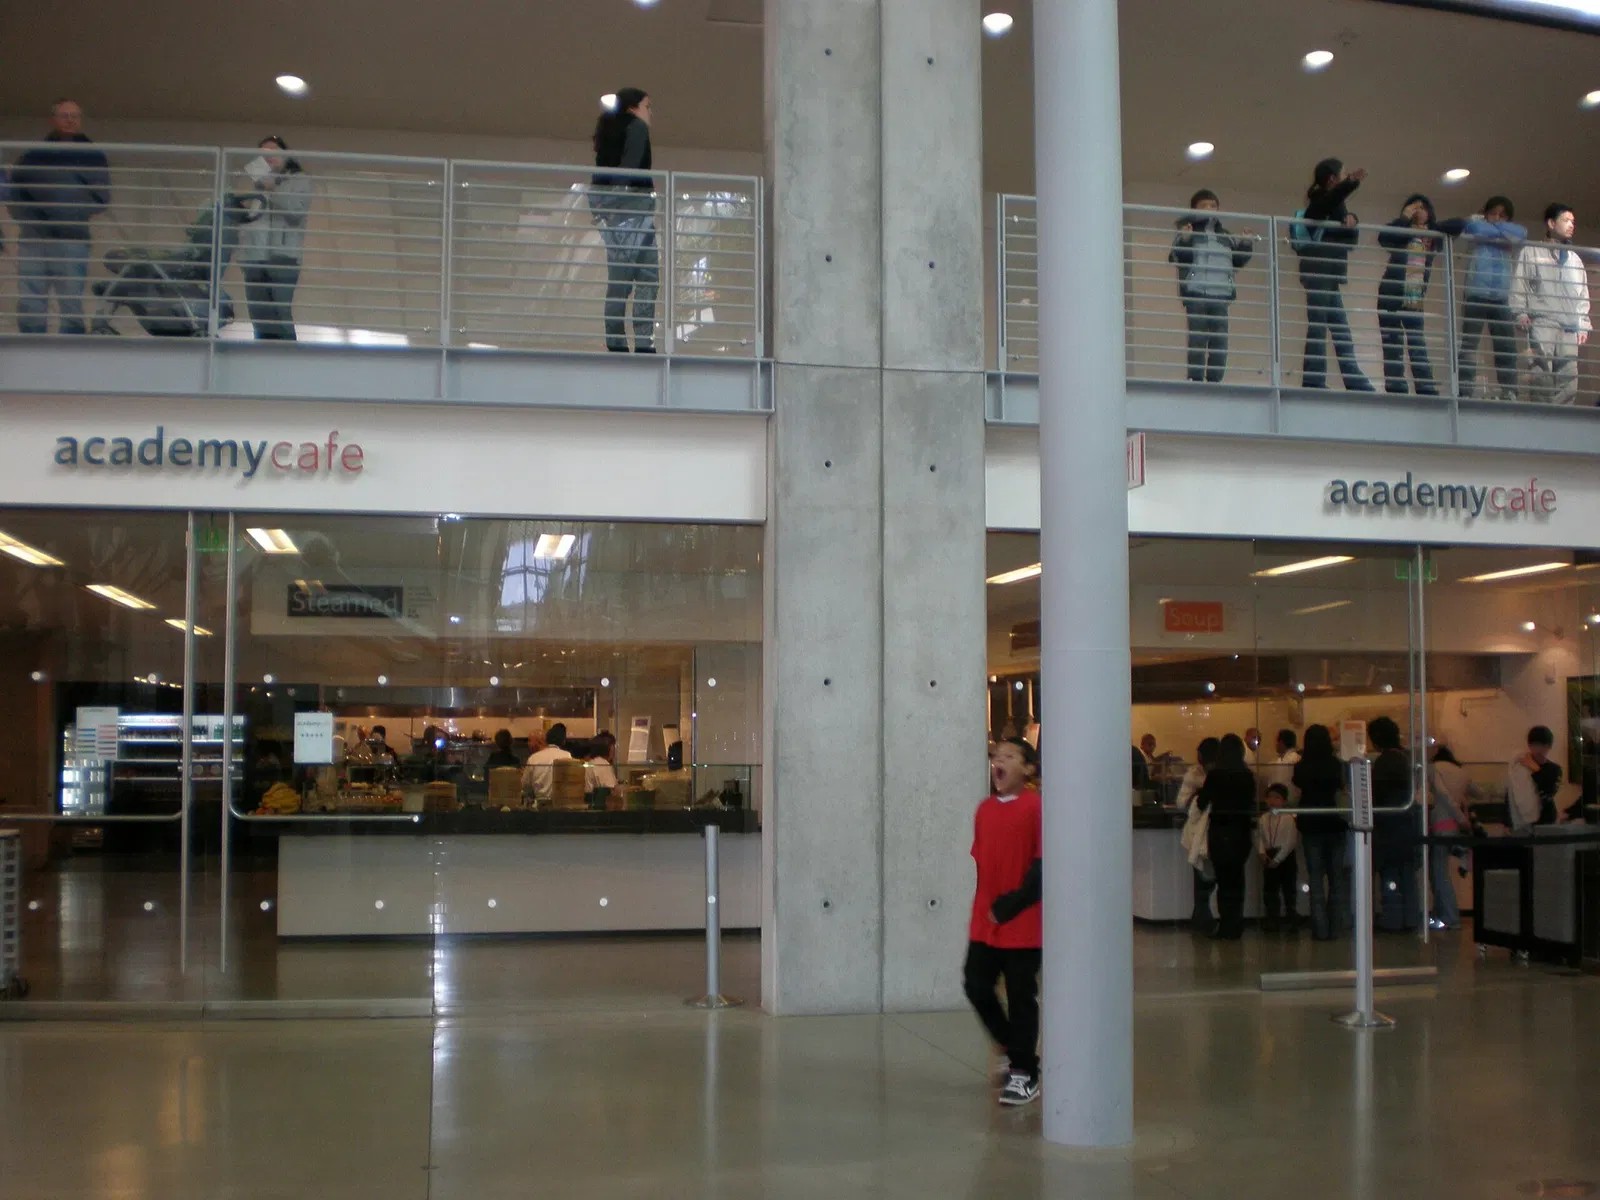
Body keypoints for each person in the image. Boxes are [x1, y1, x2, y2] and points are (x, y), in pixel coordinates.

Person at [962, 737, 1042, 1108]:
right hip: (986, 922)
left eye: (1009, 756)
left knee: (1021, 995)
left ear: (1028, 769)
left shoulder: (1036, 808)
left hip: (1024, 921)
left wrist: (1012, 904)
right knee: (976, 984)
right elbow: (982, 864)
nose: (999, 761)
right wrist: (985, 911)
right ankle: (1012, 1047)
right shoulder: (984, 810)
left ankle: (1025, 1073)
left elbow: (1041, 867)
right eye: (996, 756)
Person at [6, 98, 110, 335]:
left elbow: (101, 197)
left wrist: (66, 214)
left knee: (71, 298)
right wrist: (32, 220)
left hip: (72, 238)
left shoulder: (93, 156)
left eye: (75, 116)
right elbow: (16, 194)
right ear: (53, 119)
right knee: (31, 298)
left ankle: (71, 347)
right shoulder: (34, 155)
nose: (70, 120)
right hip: (34, 238)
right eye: (65, 115)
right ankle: (31, 345)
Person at [1294, 159, 1374, 392]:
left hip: (1328, 273)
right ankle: (1316, 380)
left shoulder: (1333, 206)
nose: (1347, 176)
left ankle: (1349, 378)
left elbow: (1349, 239)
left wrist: (1353, 219)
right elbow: (1329, 202)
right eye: (1343, 174)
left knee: (1339, 328)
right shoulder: (1318, 202)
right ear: (1332, 179)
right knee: (1321, 325)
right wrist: (1351, 183)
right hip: (1319, 270)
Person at [590, 87, 658, 354]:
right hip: (635, 211)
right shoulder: (637, 128)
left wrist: (604, 209)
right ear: (633, 108)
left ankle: (617, 341)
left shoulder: (609, 133)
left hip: (618, 216)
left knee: (621, 281)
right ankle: (642, 342)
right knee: (647, 278)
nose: (650, 112)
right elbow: (629, 169)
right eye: (647, 106)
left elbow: (603, 176)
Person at [1439, 196, 1526, 400]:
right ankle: (1465, 391)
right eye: (1493, 213)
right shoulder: (1476, 225)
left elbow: (1521, 234)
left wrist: (1491, 229)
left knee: (1506, 347)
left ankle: (1509, 391)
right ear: (1485, 213)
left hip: (1501, 298)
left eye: (1502, 215)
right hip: (1476, 294)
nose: (1497, 218)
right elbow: (1475, 228)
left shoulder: (1505, 229)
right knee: (1469, 346)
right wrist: (1497, 230)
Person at [1168, 189, 1254, 383]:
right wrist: (1185, 239)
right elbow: (1178, 257)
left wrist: (1246, 244)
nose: (1208, 209)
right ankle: (1195, 379)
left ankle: (1215, 380)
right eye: (1203, 205)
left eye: (1213, 205)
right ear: (1194, 209)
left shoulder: (1225, 236)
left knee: (1220, 340)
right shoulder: (1188, 232)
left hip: (1221, 294)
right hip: (1196, 292)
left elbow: (1238, 261)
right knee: (1197, 339)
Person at [1512, 204, 1591, 405]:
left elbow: (1582, 295)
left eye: (1573, 221)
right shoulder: (1532, 251)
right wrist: (1520, 313)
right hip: (1543, 322)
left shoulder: (1575, 259)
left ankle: (1562, 418)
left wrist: (1583, 324)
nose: (1571, 225)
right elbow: (1520, 283)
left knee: (1569, 379)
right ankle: (1541, 417)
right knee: (1541, 374)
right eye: (1566, 220)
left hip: (1569, 326)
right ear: (1551, 223)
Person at [236, 136, 312, 340]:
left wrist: (273, 188)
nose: (268, 157)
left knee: (280, 313)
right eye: (263, 154)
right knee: (258, 315)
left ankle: (287, 356)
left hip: (283, 258)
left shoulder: (300, 180)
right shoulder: (257, 186)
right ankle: (263, 355)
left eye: (273, 151)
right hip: (254, 259)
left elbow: (296, 212)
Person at [1376, 194, 1442, 396]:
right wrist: (1404, 219)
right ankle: (1396, 389)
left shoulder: (1433, 236)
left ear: (1429, 212)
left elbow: (1456, 227)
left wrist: (1430, 226)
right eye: (1414, 207)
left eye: (1422, 207)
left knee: (1416, 342)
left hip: (1414, 298)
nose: (1417, 211)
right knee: (1392, 344)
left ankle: (1426, 388)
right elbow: (1383, 238)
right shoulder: (1402, 231)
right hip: (1390, 294)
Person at [1197, 732, 1257, 940]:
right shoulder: (1247, 775)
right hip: (1241, 832)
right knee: (1238, 880)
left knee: (1223, 882)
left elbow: (1202, 802)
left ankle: (1226, 925)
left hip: (1220, 832)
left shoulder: (1216, 775)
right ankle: (1237, 923)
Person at [1293, 724, 1349, 941]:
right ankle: (1335, 927)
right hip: (1335, 823)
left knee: (1315, 878)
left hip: (1311, 825)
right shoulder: (1336, 765)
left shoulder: (1302, 766)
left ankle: (1320, 928)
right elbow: (1342, 787)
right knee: (1336, 878)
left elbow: (1297, 787)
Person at [1369, 716, 1418, 933]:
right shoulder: (1406, 758)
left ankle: (1393, 919)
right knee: (1407, 875)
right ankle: (1411, 919)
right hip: (1408, 824)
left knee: (1390, 874)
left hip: (1388, 825)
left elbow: (1375, 795)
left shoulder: (1384, 762)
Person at [1429, 746, 1482, 931]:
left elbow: (1442, 795)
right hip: (1455, 827)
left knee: (1438, 873)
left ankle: (1449, 916)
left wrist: (1460, 817)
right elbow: (1479, 793)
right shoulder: (1461, 772)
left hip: (1439, 823)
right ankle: (1444, 915)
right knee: (1442, 871)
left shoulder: (1434, 768)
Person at [1178, 736, 1221, 933]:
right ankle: (1203, 919)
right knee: (1203, 880)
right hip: (1201, 833)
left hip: (1209, 832)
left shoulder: (1218, 774)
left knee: (1206, 880)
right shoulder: (1194, 775)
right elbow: (1182, 803)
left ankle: (1201, 918)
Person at [1256, 783, 1301, 933]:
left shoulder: (1288, 818)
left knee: (1289, 889)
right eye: (1270, 797)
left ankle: (1291, 919)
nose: (1272, 801)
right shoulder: (1263, 818)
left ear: (1284, 801)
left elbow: (1291, 841)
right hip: (1269, 854)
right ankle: (1272, 920)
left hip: (1285, 856)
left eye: (1277, 798)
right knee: (1270, 890)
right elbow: (1260, 837)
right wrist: (1262, 853)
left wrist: (1278, 859)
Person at [1507, 725, 1563, 832]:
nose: (1539, 749)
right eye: (1535, 745)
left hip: (1546, 817)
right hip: (1522, 816)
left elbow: (1549, 791)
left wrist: (1535, 768)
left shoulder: (1554, 769)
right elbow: (1511, 793)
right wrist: (1507, 822)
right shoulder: (1520, 766)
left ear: (1549, 746)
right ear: (1529, 746)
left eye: (1543, 745)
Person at [522, 723, 575, 804]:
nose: (528, 744)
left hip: (539, 804)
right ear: (563, 741)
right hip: (560, 804)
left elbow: (525, 785)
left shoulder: (533, 758)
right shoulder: (567, 755)